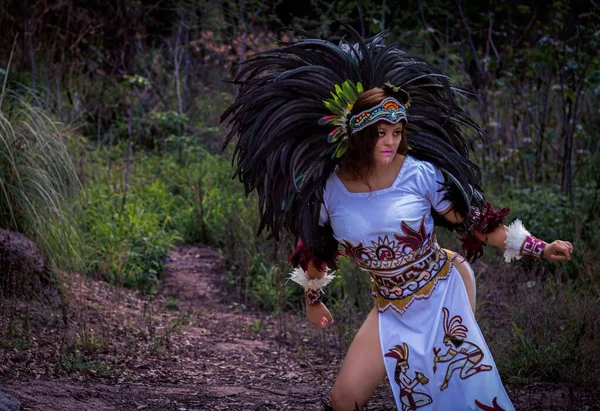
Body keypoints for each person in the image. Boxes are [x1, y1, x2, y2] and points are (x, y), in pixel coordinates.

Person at [221, 28, 573, 411]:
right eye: (380, 133)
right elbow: (315, 248)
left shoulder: (420, 174)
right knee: (344, 399)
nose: (390, 141)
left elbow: (477, 224)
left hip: (442, 291)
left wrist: (539, 247)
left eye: (396, 132)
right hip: (389, 305)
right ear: (359, 136)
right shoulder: (331, 191)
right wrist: (312, 299)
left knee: (451, 392)